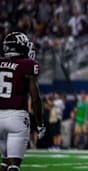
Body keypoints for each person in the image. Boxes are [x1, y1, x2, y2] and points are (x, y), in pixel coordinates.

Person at [0, 32, 45, 171]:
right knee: (14, 166)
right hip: (16, 117)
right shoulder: (28, 65)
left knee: (4, 161)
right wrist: (40, 123)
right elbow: (35, 98)